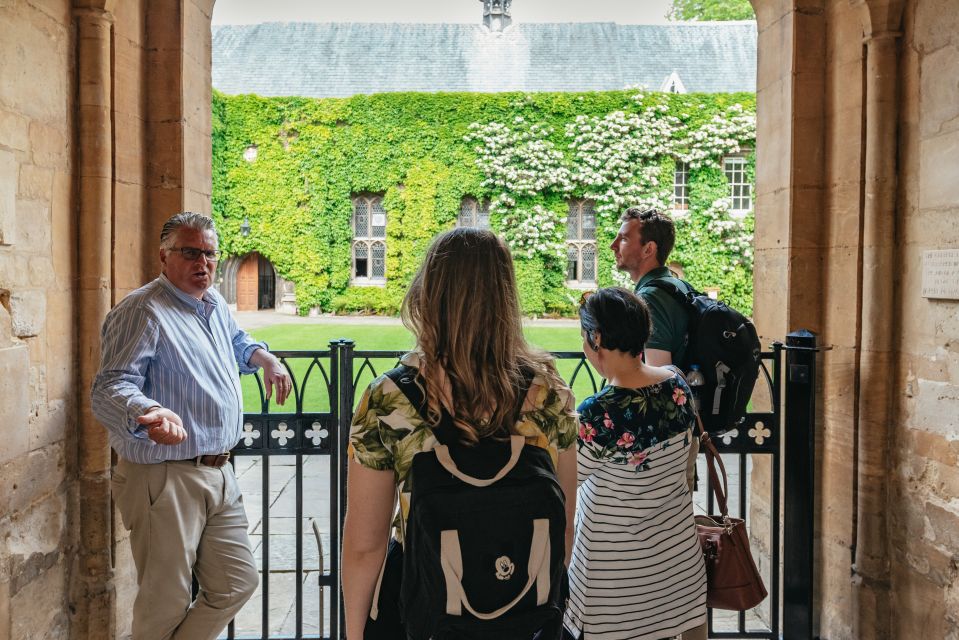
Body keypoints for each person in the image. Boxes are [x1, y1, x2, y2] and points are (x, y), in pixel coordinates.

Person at [342, 227, 579, 640]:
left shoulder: (390, 400)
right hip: (523, 611)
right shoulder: (550, 394)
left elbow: (365, 546)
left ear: (429, 294)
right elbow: (562, 526)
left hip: (427, 609)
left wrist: (355, 632)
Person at [91, 212, 292, 640]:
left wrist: (265, 359)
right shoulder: (143, 310)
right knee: (164, 602)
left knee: (237, 583)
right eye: (190, 252)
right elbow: (110, 385)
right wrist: (146, 413)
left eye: (210, 254)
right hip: (166, 476)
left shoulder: (212, 303)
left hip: (219, 471)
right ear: (164, 257)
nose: (203, 262)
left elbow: (238, 342)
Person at [564, 287, 707, 640]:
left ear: (596, 337)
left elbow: (561, 485)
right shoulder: (676, 385)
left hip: (613, 586)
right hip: (676, 567)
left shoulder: (596, 415)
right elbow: (687, 463)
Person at [610, 207, 691, 366]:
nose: (613, 245)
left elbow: (659, 379)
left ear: (648, 249)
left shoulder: (650, 298)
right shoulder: (680, 286)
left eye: (624, 239)